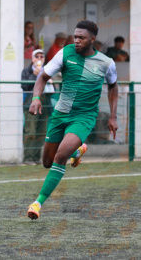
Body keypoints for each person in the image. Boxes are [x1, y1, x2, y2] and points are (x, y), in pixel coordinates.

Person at [26, 20, 118, 220]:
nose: (76, 40)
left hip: (84, 117)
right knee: (47, 162)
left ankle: (37, 203)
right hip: (60, 114)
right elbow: (42, 77)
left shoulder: (106, 63)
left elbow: (113, 86)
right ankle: (77, 151)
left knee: (60, 156)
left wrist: (112, 116)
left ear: (92, 39)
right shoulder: (65, 53)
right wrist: (35, 99)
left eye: (81, 38)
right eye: (75, 36)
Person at [21, 49, 53, 164]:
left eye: (42, 56)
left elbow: (52, 90)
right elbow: (24, 86)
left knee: (42, 131)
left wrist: (51, 83)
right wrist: (34, 76)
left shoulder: (48, 70)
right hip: (31, 103)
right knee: (31, 131)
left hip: (45, 103)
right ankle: (28, 158)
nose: (39, 58)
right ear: (32, 59)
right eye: (37, 56)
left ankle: (36, 157)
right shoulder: (26, 71)